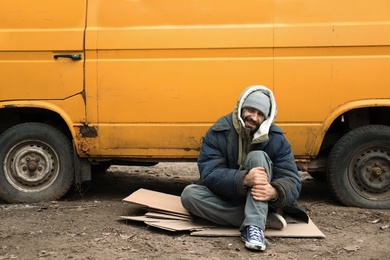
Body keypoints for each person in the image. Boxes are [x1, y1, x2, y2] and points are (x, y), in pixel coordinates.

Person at [181, 85, 306, 251]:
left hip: (262, 199)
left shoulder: (277, 140)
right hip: (225, 196)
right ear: (241, 108)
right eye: (251, 110)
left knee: (257, 157)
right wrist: (243, 179)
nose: (253, 117)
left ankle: (254, 228)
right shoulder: (218, 132)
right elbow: (209, 173)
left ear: (267, 118)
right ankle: (263, 220)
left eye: (260, 114)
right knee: (189, 195)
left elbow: (292, 180)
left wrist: (275, 192)